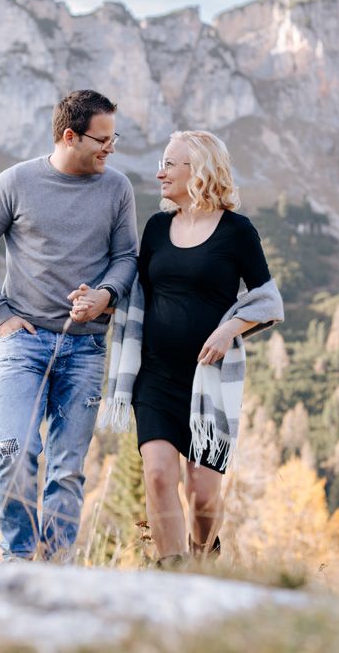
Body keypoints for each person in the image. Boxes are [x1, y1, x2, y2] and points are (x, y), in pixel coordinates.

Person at [0, 89, 138, 561]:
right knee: (14, 453)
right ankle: (16, 562)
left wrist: (105, 296)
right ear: (69, 136)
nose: (110, 147)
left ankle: (57, 566)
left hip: (86, 350)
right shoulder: (16, 182)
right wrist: (0, 315)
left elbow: (126, 258)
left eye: (113, 137)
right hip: (24, 345)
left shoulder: (117, 188)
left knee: (67, 470)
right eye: (102, 139)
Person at [94, 130, 283, 565]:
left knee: (202, 495)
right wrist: (99, 297)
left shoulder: (237, 232)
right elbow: (134, 290)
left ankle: (204, 559)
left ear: (197, 170)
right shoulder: (158, 227)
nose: (160, 171)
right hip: (154, 376)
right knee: (159, 474)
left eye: (170, 163)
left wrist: (229, 328)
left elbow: (268, 299)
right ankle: (170, 571)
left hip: (209, 383)